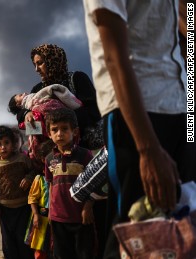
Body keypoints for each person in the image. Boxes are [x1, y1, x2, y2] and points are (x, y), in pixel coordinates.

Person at [83, 1, 196, 258]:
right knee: (137, 232)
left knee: (181, 227)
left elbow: (188, 29)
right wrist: (147, 149)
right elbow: (114, 57)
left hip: (181, 106)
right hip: (137, 114)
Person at [19, 44, 103, 151]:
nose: (36, 69)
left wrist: (60, 120)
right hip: (49, 154)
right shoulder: (37, 89)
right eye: (34, 64)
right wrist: (27, 114)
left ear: (53, 61)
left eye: (40, 63)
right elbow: (25, 119)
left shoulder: (77, 78)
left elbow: (94, 111)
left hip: (81, 148)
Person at [44, 108, 96, 259]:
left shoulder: (84, 155)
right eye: (55, 130)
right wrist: (50, 211)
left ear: (74, 131)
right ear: (49, 134)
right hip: (58, 218)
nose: (59, 133)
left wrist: (88, 207)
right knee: (61, 254)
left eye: (64, 129)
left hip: (81, 216)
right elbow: (50, 186)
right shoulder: (49, 159)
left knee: (84, 253)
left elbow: (94, 183)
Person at [0, 125, 35, 259]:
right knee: (8, 243)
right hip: (5, 210)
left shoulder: (22, 159)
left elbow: (33, 172)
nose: (3, 147)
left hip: (24, 208)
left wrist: (28, 178)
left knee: (24, 240)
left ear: (13, 143)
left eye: (6, 143)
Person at [25, 169, 51, 259]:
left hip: (56, 219)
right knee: (40, 249)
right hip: (41, 219)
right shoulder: (40, 179)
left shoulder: (60, 178)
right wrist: (36, 215)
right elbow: (32, 198)